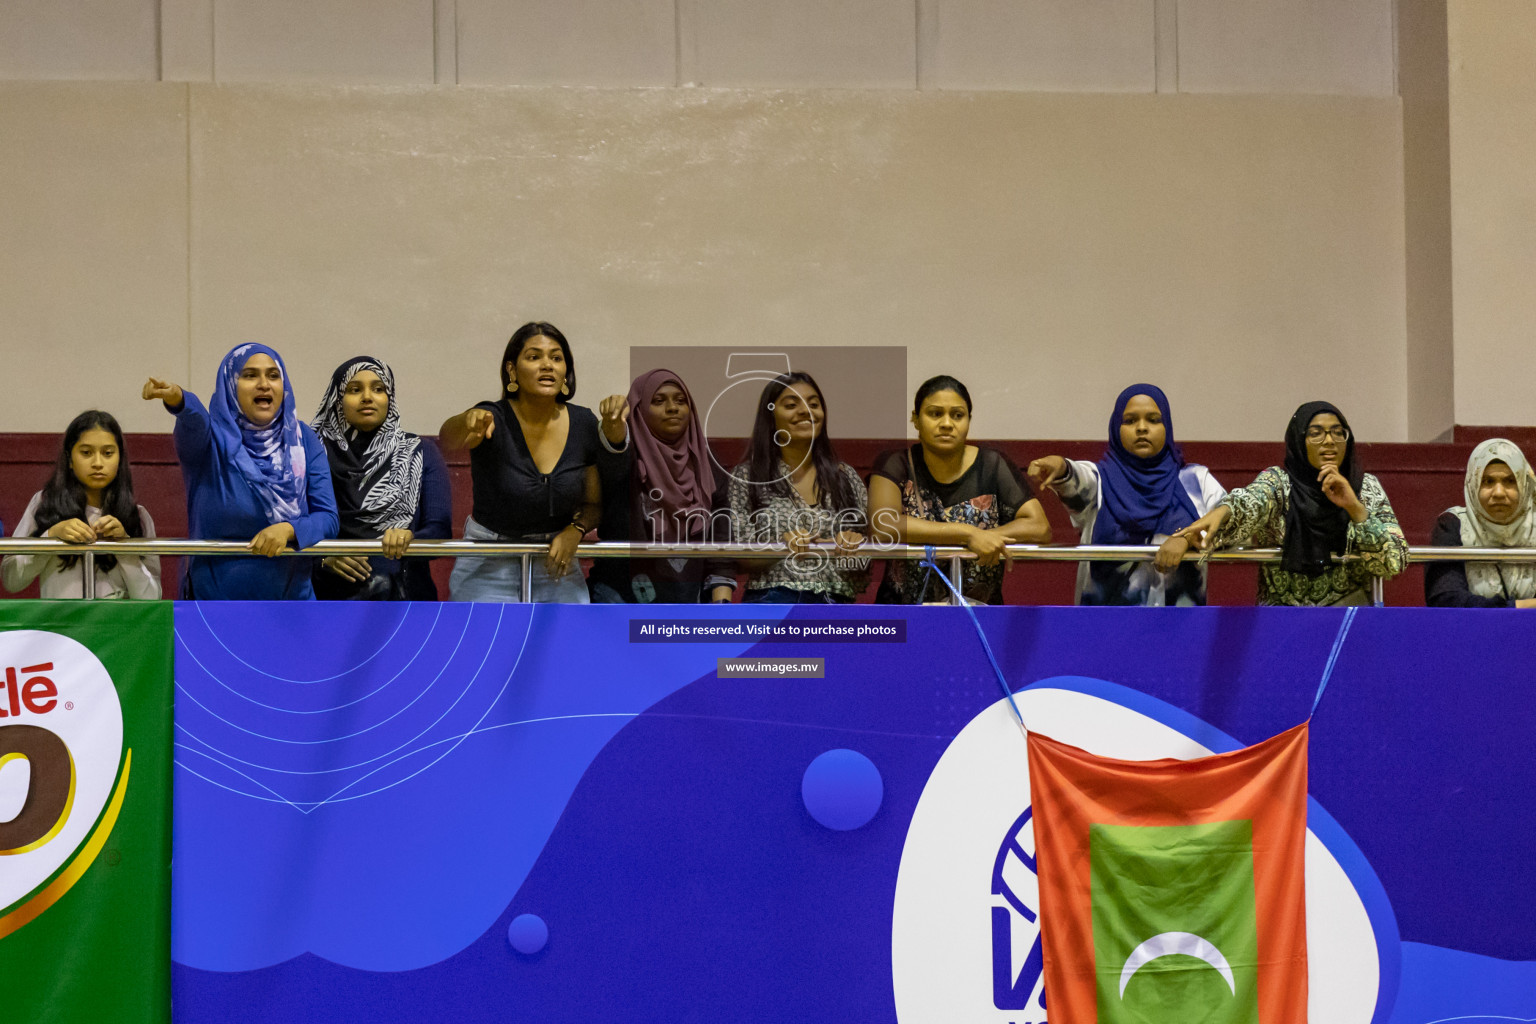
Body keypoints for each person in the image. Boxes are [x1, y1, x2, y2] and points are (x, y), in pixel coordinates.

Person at [142, 343, 339, 599]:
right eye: (250, 375)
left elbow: (328, 518)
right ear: (230, 384)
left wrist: (290, 529)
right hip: (215, 605)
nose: (264, 384)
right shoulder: (210, 440)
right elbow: (194, 422)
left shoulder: (303, 440)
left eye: (273, 375)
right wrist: (180, 399)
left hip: (292, 607)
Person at [1169, 400, 1406, 606]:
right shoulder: (1280, 483)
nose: (1329, 441)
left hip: (1348, 627)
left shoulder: (1365, 487)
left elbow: (1393, 561)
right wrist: (1223, 512)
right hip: (1282, 626)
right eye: (1316, 433)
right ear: (1299, 440)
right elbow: (1252, 501)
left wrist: (1354, 507)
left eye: (1337, 432)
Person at [438, 322, 608, 603]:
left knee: (565, 644)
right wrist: (468, 419)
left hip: (556, 560)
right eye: (534, 357)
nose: (547, 365)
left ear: (567, 371)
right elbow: (448, 437)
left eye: (556, 358)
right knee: (488, 644)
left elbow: (593, 504)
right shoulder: (492, 416)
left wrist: (574, 531)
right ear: (512, 371)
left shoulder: (584, 423)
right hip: (489, 560)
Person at [1028, 384, 1225, 606]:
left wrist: (1187, 538)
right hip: (1106, 627)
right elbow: (1074, 479)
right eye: (1130, 421)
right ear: (1115, 428)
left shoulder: (1196, 481)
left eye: (1153, 420)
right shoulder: (1100, 481)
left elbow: (1235, 524)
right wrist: (1061, 466)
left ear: (1167, 426)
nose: (1142, 428)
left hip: (1182, 626)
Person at [869, 375, 1050, 604]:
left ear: (968, 420)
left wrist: (987, 538)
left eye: (957, 415)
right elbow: (883, 525)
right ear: (915, 419)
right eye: (935, 413)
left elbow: (1039, 526)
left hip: (978, 619)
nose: (946, 424)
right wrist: (968, 534)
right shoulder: (896, 464)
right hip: (903, 617)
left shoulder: (992, 465)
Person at [311, 357, 453, 600]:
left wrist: (410, 539)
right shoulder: (313, 451)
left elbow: (439, 529)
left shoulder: (420, 451)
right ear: (337, 398)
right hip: (330, 597)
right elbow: (296, 523)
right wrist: (324, 556)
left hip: (405, 594)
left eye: (379, 389)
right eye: (354, 390)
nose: (368, 397)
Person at [589, 369, 734, 603]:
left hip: (687, 604)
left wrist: (722, 608)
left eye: (680, 400)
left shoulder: (708, 465)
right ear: (638, 410)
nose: (673, 408)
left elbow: (721, 544)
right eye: (658, 401)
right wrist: (613, 425)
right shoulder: (628, 458)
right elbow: (612, 460)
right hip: (619, 602)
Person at [726, 371, 868, 604]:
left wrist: (853, 547)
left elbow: (863, 567)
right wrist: (782, 545)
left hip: (836, 605)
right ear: (771, 417)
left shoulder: (846, 476)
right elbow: (738, 557)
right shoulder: (747, 477)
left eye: (814, 404)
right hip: (771, 603)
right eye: (791, 405)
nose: (805, 411)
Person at [3, 410, 161, 599]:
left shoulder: (138, 517)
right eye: (86, 453)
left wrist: (124, 548)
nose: (97, 463)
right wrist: (51, 537)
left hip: (118, 626)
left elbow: (152, 597)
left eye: (108, 453)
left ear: (119, 459)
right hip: (59, 626)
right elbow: (11, 579)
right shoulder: (44, 504)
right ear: (70, 459)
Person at [1425, 438, 1536, 608]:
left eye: (1510, 481)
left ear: (1524, 485)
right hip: (1470, 631)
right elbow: (1446, 599)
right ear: (1472, 485)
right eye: (1487, 481)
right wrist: (1519, 606)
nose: (1499, 492)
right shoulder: (1453, 525)